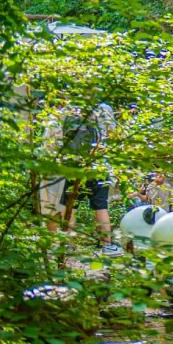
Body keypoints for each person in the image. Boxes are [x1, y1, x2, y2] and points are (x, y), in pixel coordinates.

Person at [61, 101, 119, 255]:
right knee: (101, 206)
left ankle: (68, 244)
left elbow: (62, 136)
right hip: (99, 165)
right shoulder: (105, 108)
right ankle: (107, 246)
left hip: (74, 165)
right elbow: (113, 135)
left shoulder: (70, 108)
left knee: (71, 205)